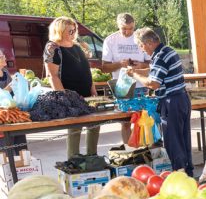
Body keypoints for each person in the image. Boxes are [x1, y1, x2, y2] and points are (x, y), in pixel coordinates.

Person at [127, 28, 193, 177]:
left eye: (141, 46)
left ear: (149, 43)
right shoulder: (167, 51)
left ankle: (180, 174)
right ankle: (187, 172)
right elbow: (154, 71)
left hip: (171, 102)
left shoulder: (160, 56)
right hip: (181, 99)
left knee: (173, 142)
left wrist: (135, 75)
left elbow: (153, 83)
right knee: (183, 139)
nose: (142, 50)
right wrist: (137, 70)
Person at [43, 17, 99, 159]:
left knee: (95, 125)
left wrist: (93, 91)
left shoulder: (77, 47)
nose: (73, 33)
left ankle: (92, 158)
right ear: (60, 30)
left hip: (87, 94)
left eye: (74, 30)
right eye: (70, 30)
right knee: (75, 128)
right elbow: (52, 75)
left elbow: (87, 71)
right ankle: (74, 161)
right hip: (69, 96)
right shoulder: (52, 47)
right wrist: (64, 97)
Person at [102, 13, 151, 144]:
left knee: (143, 120)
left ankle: (143, 149)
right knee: (125, 122)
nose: (128, 32)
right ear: (118, 26)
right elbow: (104, 68)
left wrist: (140, 65)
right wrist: (120, 64)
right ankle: (129, 149)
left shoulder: (141, 38)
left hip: (141, 85)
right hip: (122, 87)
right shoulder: (110, 40)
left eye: (131, 28)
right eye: (124, 29)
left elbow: (150, 64)